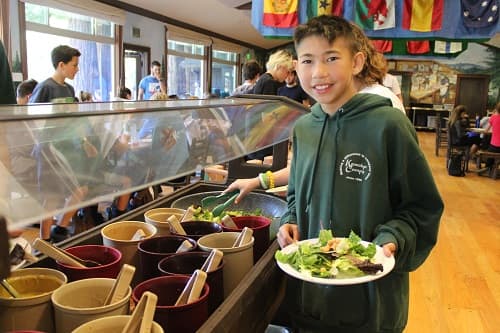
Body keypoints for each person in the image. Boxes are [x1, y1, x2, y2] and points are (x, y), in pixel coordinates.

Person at [275, 15, 443, 332]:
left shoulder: (388, 126)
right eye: (308, 61)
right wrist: (290, 221)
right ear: (296, 68)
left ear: (357, 62)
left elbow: (421, 208)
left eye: (332, 58)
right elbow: (295, 195)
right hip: (309, 296)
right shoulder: (304, 128)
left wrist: (392, 238)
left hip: (370, 299)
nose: (319, 73)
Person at [29, 45, 83, 242]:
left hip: (66, 149)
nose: (77, 69)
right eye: (74, 65)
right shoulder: (44, 88)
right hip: (48, 150)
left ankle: (59, 230)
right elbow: (33, 118)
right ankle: (44, 241)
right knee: (50, 198)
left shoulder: (69, 89)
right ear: (61, 65)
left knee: (80, 189)